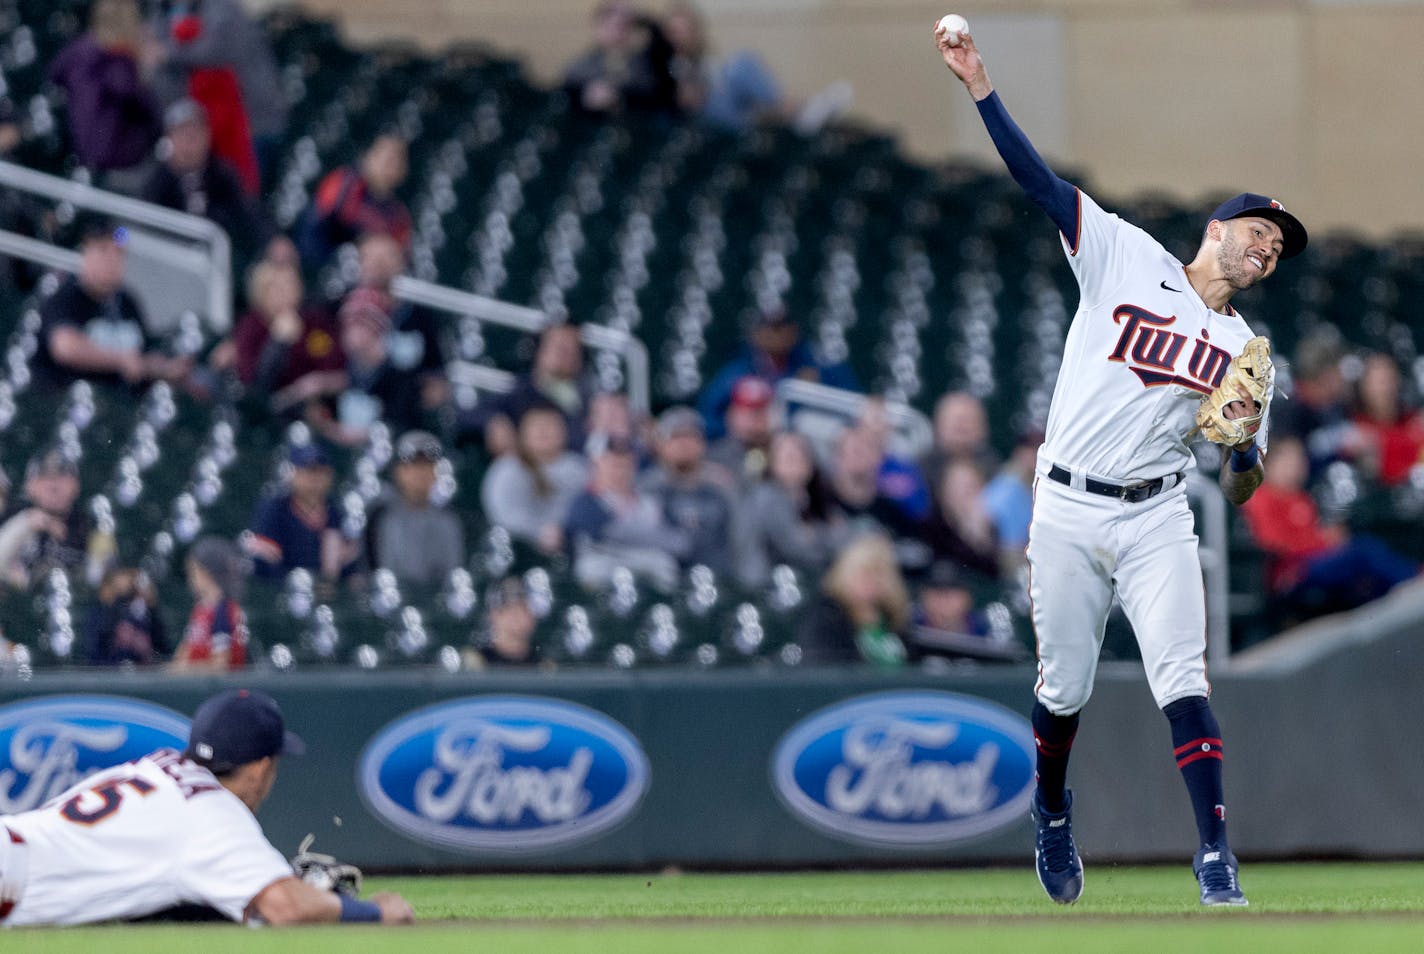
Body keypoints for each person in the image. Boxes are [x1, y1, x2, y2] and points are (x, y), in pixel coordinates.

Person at [936, 19, 1310, 905]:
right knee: (1062, 689)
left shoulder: (1245, 352)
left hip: (1154, 516)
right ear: (1219, 226)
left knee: (1182, 675)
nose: (1267, 249)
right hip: (1065, 509)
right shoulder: (1125, 254)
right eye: (1260, 230)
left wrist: (1242, 441)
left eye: (1279, 249)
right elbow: (1037, 182)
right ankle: (1052, 809)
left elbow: (1244, 482)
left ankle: (1216, 854)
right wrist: (980, 85)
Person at [0, 687, 414, 926]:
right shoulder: (212, 814)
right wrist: (373, 912)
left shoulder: (158, 766)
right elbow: (286, 906)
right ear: (259, 769)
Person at [1240, 437, 1417, 617]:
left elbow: (1311, 536)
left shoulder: (1301, 498)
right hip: (1291, 571)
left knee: (1369, 571)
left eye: (1299, 459)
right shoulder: (1260, 498)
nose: (1295, 466)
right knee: (1364, 550)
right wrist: (1322, 543)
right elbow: (1272, 542)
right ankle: (1414, 582)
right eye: (1287, 460)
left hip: (1314, 561)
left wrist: (1327, 539)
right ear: (1270, 464)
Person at [33, 219, 191, 392]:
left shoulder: (126, 301)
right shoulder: (66, 296)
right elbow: (65, 348)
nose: (112, 260)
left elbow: (140, 356)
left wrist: (163, 368)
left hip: (124, 406)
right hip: (69, 400)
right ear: (85, 254)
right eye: (103, 251)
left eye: (118, 253)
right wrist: (120, 360)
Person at [147, 0, 287, 186]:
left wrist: (167, 53)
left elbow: (215, 50)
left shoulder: (220, 8)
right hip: (201, 124)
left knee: (241, 189)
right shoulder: (165, 12)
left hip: (249, 122)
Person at [140, 99, 278, 271]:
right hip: (170, 268)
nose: (190, 141)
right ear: (169, 139)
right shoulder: (156, 182)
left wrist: (273, 240)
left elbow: (248, 211)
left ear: (207, 136)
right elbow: (138, 226)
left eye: (195, 133)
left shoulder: (222, 175)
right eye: (183, 133)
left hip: (221, 266)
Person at [47, 0, 162, 189]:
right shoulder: (120, 63)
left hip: (80, 154)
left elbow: (55, 73)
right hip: (116, 162)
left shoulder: (79, 51)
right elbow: (145, 109)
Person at [698, 307, 858, 440]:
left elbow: (851, 401)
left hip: (799, 447)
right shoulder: (739, 369)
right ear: (756, 333)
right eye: (771, 328)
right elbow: (708, 414)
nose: (777, 335)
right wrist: (730, 429)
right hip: (745, 444)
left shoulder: (815, 364)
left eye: (782, 328)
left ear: (793, 331)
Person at [337, 232, 449, 411]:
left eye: (387, 256)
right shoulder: (339, 304)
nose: (379, 265)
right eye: (372, 257)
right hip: (347, 410)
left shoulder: (419, 313)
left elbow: (437, 372)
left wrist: (433, 390)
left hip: (403, 411)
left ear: (402, 261)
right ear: (359, 261)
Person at [564, 434, 689, 592]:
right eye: (613, 464)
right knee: (590, 568)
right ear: (596, 466)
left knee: (665, 565)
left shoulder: (651, 502)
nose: (620, 471)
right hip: (606, 562)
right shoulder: (586, 501)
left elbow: (681, 544)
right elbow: (604, 532)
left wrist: (625, 532)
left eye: (625, 464)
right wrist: (654, 535)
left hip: (649, 562)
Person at [221, 260, 345, 411]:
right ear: (261, 292)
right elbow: (255, 384)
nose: (285, 293)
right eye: (276, 288)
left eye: (290, 285)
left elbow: (336, 365)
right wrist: (278, 342)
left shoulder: (314, 322)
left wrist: (319, 383)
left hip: (312, 406)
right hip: (266, 411)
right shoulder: (251, 327)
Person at [640, 406, 747, 581]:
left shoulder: (722, 487)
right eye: (676, 437)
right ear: (660, 444)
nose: (683, 444)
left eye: (690, 437)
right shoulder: (647, 488)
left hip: (719, 582)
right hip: (664, 583)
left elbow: (742, 541)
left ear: (702, 443)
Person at [308, 288, 424, 446]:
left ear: (378, 327)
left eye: (361, 322)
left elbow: (402, 424)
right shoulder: (342, 364)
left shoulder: (399, 374)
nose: (352, 330)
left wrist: (366, 434)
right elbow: (323, 412)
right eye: (349, 322)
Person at [480, 404, 588, 556]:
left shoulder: (579, 468)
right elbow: (505, 516)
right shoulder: (508, 468)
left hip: (573, 545)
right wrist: (539, 532)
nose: (543, 431)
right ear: (523, 433)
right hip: (521, 549)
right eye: (537, 426)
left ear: (564, 432)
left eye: (550, 425)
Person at [243, 444, 357, 584]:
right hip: (279, 592)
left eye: (321, 471)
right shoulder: (275, 508)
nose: (315, 478)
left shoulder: (335, 513)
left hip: (326, 595)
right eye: (309, 470)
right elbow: (263, 563)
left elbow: (348, 568)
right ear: (293, 473)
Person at [477, 323, 594, 456]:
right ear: (540, 351)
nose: (566, 354)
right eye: (559, 347)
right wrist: (493, 421)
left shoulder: (591, 397)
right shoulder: (522, 389)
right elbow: (469, 415)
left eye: (573, 349)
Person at [296, 134, 412, 269]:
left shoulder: (399, 215)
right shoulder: (344, 181)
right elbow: (323, 218)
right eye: (385, 157)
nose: (389, 165)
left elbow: (401, 255)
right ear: (368, 157)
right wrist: (366, 240)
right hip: (323, 257)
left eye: (397, 160)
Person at [797, 533, 912, 666]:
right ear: (845, 575)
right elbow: (823, 667)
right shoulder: (825, 619)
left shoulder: (895, 622)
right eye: (864, 573)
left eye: (879, 574)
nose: (871, 581)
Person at [368, 431, 465, 589]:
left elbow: (452, 576)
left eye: (428, 464)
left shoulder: (449, 520)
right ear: (397, 471)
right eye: (413, 464)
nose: (421, 472)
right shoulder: (379, 517)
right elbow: (377, 575)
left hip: (438, 605)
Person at [744, 430, 846, 579]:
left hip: (809, 578)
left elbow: (843, 536)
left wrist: (815, 535)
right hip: (771, 580)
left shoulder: (816, 495)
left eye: (801, 454)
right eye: (789, 456)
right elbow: (796, 548)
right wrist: (824, 536)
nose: (796, 461)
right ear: (773, 462)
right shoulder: (766, 498)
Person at [0, 450, 110, 588]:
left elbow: (102, 581)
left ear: (76, 486)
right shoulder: (10, 515)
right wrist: (26, 523)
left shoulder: (92, 527)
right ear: (29, 486)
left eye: (62, 477)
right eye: (44, 477)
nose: (53, 486)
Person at [1271, 330, 1364, 483]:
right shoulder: (1288, 413)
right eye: (1338, 371)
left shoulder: (1340, 406)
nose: (1343, 378)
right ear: (1326, 376)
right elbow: (1285, 471)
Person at [562, 2, 679, 117]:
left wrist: (620, 98)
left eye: (623, 27)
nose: (616, 32)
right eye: (609, 26)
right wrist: (586, 99)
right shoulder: (581, 66)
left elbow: (655, 95)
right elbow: (567, 102)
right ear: (598, 27)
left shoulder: (641, 64)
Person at [170, 536, 248, 672]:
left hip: (215, 689)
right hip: (194, 686)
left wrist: (184, 670)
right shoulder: (200, 609)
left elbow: (221, 665)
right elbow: (182, 656)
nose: (190, 578)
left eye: (193, 571)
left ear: (206, 572)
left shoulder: (224, 611)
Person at [917, 458, 1000, 580]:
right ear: (943, 491)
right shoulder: (928, 528)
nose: (962, 494)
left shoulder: (992, 528)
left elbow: (994, 573)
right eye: (956, 487)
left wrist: (979, 537)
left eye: (970, 487)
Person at [1351, 352, 1424, 486]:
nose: (1385, 388)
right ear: (1364, 387)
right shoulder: (1356, 428)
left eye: (1390, 379)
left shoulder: (1413, 420)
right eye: (1379, 382)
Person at [82, 566, 168, 666]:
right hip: (108, 675)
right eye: (114, 586)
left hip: (143, 675)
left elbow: (162, 649)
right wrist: (118, 597)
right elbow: (97, 650)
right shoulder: (97, 614)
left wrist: (152, 608)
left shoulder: (141, 615)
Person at [981, 430, 1041, 568]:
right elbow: (1010, 560)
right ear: (1018, 451)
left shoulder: (1054, 488)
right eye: (1030, 447)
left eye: (1041, 445)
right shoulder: (1005, 491)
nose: (1035, 453)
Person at [706, 376, 776, 483]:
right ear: (732, 414)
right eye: (749, 413)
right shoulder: (714, 457)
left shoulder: (785, 453)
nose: (756, 419)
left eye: (761, 412)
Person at [463, 576, 544, 668]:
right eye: (507, 607)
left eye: (523, 607)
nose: (516, 614)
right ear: (493, 615)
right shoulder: (475, 663)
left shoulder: (544, 667)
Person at [923, 390, 1000, 486]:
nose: (962, 427)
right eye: (956, 421)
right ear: (937, 426)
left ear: (983, 429)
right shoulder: (920, 472)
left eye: (969, 421)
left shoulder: (994, 472)